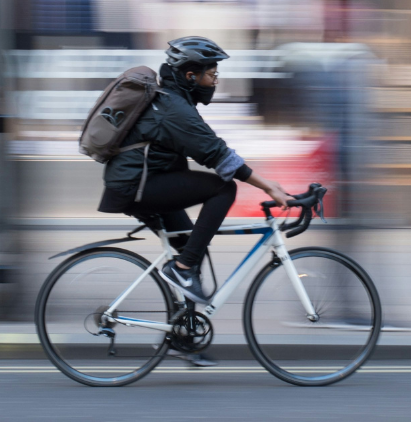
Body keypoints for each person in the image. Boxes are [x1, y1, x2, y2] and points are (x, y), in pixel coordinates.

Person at [96, 36, 297, 358]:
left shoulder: (174, 101)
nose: (215, 79)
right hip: (137, 186)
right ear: (191, 75)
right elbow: (217, 155)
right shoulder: (172, 107)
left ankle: (184, 337)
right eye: (211, 73)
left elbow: (208, 149)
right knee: (223, 188)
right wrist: (268, 187)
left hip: (143, 183)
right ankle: (183, 268)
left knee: (191, 246)